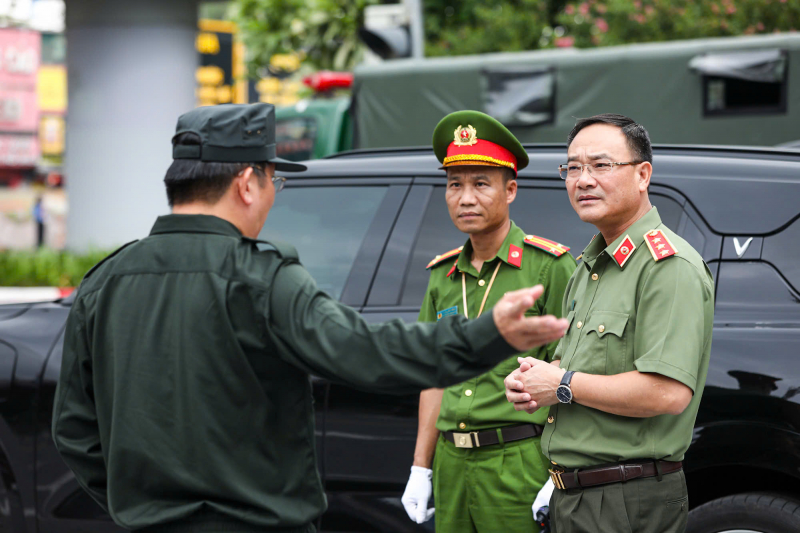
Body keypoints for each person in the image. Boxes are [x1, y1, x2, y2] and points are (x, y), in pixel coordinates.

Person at [51, 103, 570, 533]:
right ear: (247, 183)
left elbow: (74, 429)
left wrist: (142, 505)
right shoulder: (260, 277)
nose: (275, 196)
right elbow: (369, 354)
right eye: (274, 179)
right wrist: (488, 334)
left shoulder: (104, 281)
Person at [504, 114, 714, 533]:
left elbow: (667, 392)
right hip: (575, 495)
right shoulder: (589, 266)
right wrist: (536, 385)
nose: (583, 180)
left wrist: (561, 383)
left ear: (642, 175)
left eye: (601, 165)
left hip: (626, 498)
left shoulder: (667, 266)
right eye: (573, 167)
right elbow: (583, 373)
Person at [401, 110, 576, 533]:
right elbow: (433, 376)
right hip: (451, 462)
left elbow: (574, 370)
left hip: (517, 461)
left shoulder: (549, 266)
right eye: (454, 185)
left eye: (481, 184)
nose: (465, 198)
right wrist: (420, 467)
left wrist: (562, 470)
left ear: (510, 189)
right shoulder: (442, 276)